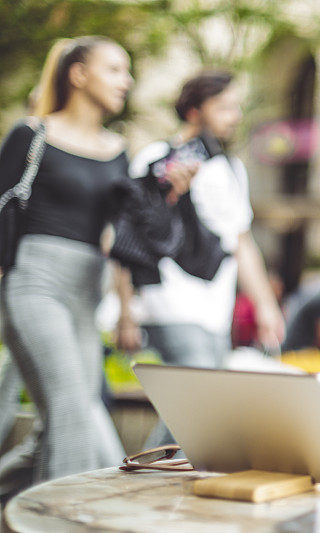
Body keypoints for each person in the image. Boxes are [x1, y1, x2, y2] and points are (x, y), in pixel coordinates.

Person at [0, 36, 194, 489]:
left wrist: (167, 197)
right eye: (114, 69)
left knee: (63, 420)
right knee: (70, 406)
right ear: (78, 73)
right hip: (35, 283)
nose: (125, 81)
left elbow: (123, 240)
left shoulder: (117, 150)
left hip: (87, 290)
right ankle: (62, 520)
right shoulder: (31, 135)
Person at [118, 71, 285, 446]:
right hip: (170, 301)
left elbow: (241, 242)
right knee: (198, 408)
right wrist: (127, 312)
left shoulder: (231, 168)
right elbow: (127, 240)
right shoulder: (155, 159)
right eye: (223, 107)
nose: (234, 115)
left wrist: (266, 306)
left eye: (235, 107)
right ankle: (137, 486)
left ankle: (144, 484)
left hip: (214, 307)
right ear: (194, 110)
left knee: (195, 410)